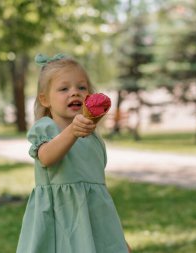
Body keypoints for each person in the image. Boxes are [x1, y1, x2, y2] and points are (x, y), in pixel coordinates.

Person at [16, 53, 131, 253]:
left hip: (94, 222)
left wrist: (117, 238)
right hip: (59, 220)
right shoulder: (46, 128)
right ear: (44, 99)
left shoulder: (93, 138)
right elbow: (46, 157)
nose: (75, 93)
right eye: (64, 88)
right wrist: (72, 131)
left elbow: (98, 195)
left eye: (82, 87)